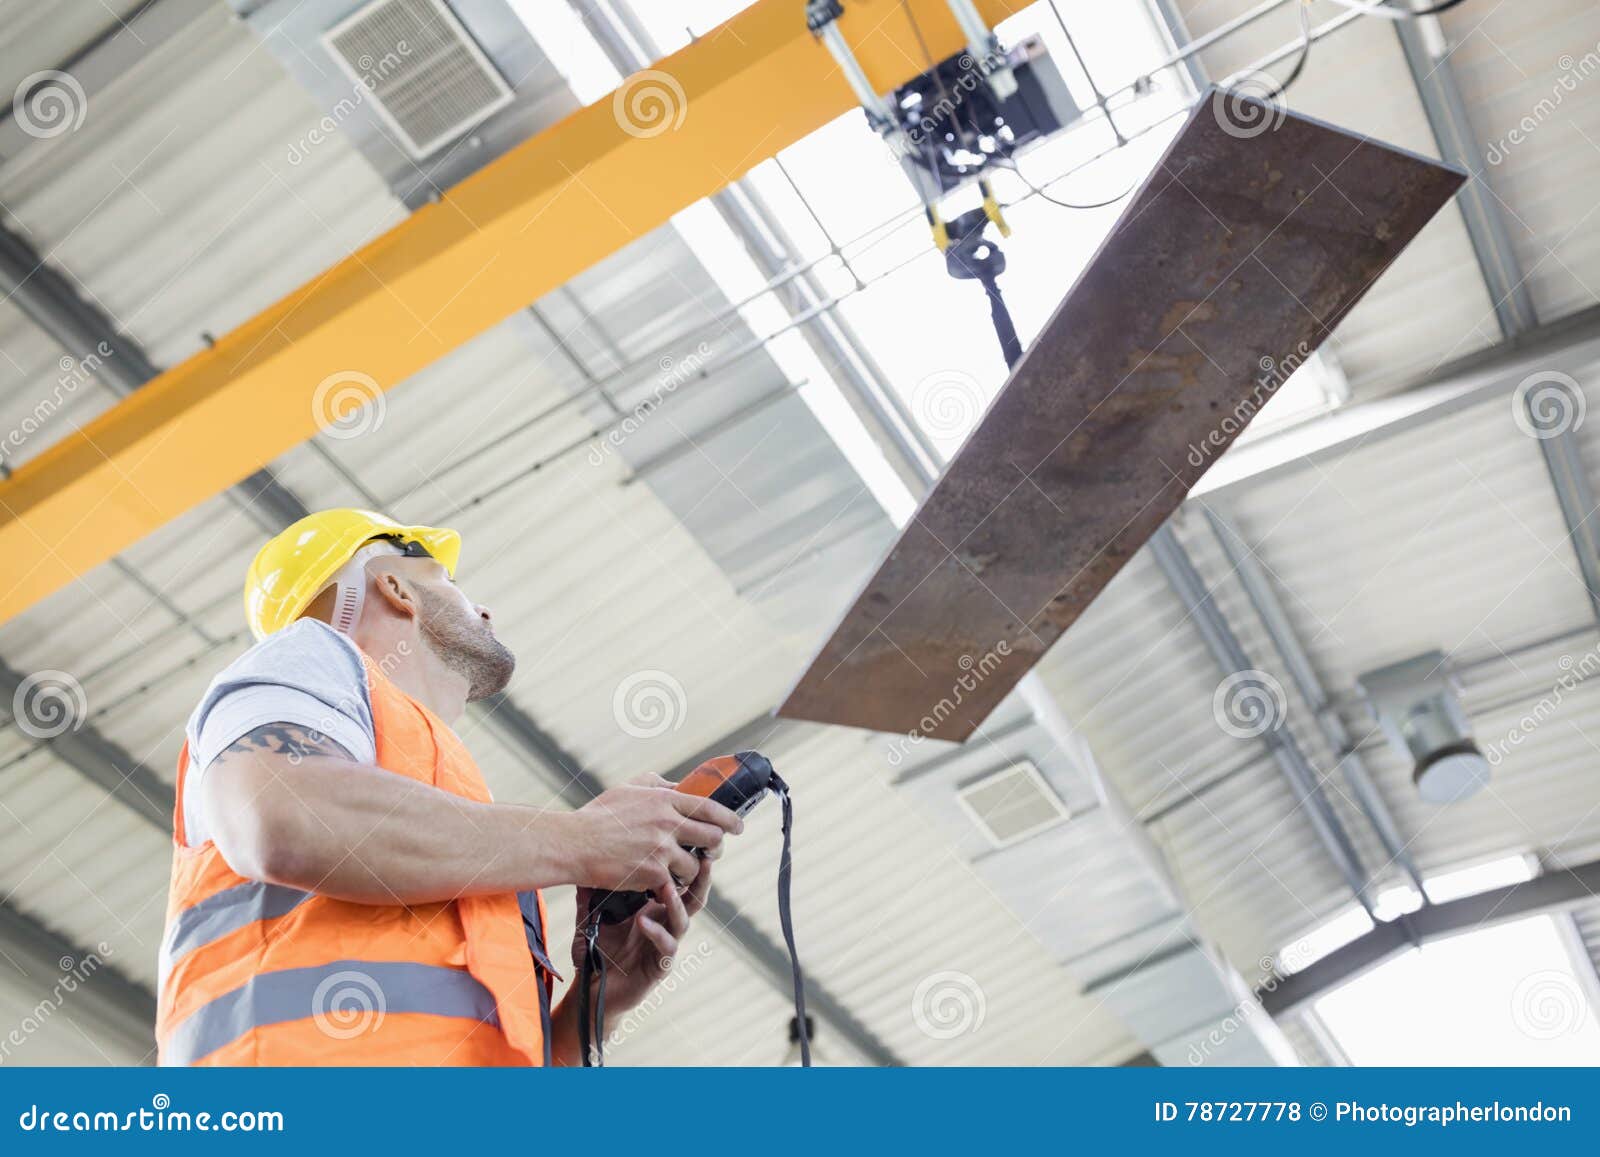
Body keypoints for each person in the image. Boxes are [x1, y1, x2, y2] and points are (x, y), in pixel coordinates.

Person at [154, 509, 741, 1066]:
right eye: (447, 579)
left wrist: (596, 1000)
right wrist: (586, 838)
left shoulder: (458, 829)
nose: (483, 609)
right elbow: (277, 817)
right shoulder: (307, 658)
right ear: (395, 587)